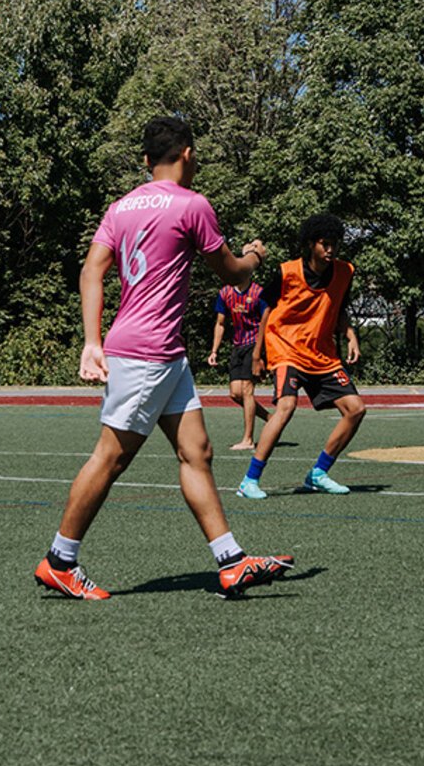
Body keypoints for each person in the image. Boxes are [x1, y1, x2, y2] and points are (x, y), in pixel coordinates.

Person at [37, 116, 290, 600]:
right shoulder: (192, 205)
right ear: (189, 154)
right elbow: (233, 273)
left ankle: (231, 561)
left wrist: (93, 340)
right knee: (110, 457)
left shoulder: (121, 207)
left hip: (162, 354)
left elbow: (91, 271)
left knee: (197, 452)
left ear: (147, 159)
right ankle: (60, 560)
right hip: (148, 353)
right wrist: (255, 257)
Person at [238, 213, 366, 498]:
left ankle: (318, 474)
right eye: (324, 243)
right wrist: (257, 354)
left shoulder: (345, 272)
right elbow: (266, 310)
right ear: (311, 244)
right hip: (286, 348)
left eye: (335, 244)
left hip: (322, 354)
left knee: (355, 409)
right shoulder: (287, 272)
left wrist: (351, 336)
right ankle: (250, 480)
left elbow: (340, 307)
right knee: (286, 407)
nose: (330, 249)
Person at [205, 275, 267, 450]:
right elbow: (220, 323)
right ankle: (270, 420)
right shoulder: (225, 293)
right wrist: (214, 351)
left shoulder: (259, 293)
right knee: (235, 394)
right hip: (238, 345)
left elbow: (267, 324)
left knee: (247, 390)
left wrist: (261, 355)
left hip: (255, 344)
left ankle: (248, 440)